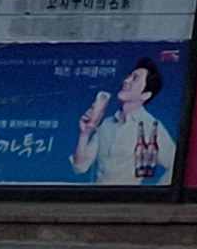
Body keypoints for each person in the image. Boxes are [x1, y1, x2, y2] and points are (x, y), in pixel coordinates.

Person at [71, 56, 179, 186]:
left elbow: (175, 165)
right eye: (128, 76)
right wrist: (85, 134)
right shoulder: (106, 124)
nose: (126, 81)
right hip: (97, 195)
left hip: (127, 197)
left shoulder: (151, 127)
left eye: (135, 78)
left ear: (145, 95)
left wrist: (156, 193)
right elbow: (80, 167)